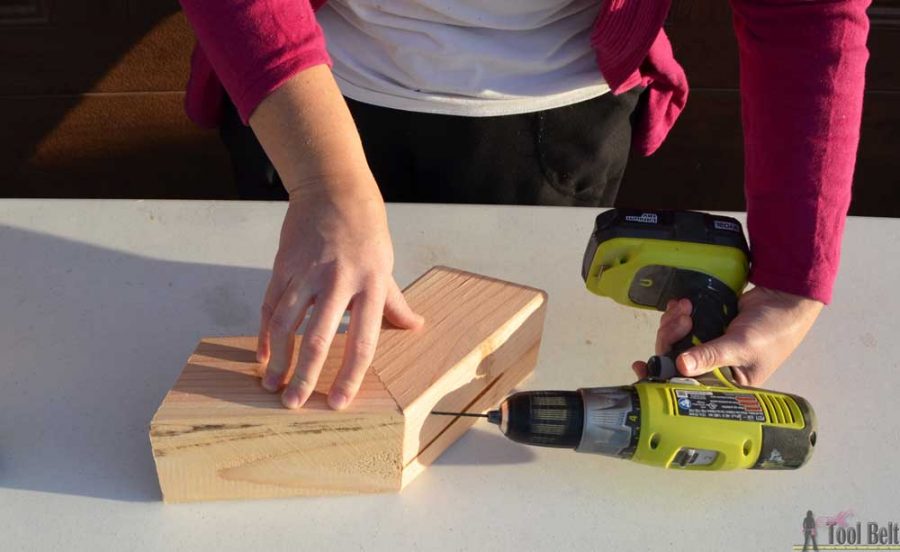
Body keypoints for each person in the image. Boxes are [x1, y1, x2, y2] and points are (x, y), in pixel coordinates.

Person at [177, 0, 869, 410]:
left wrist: (791, 283)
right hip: (299, 107)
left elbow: (805, 13)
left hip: (556, 124)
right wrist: (325, 183)